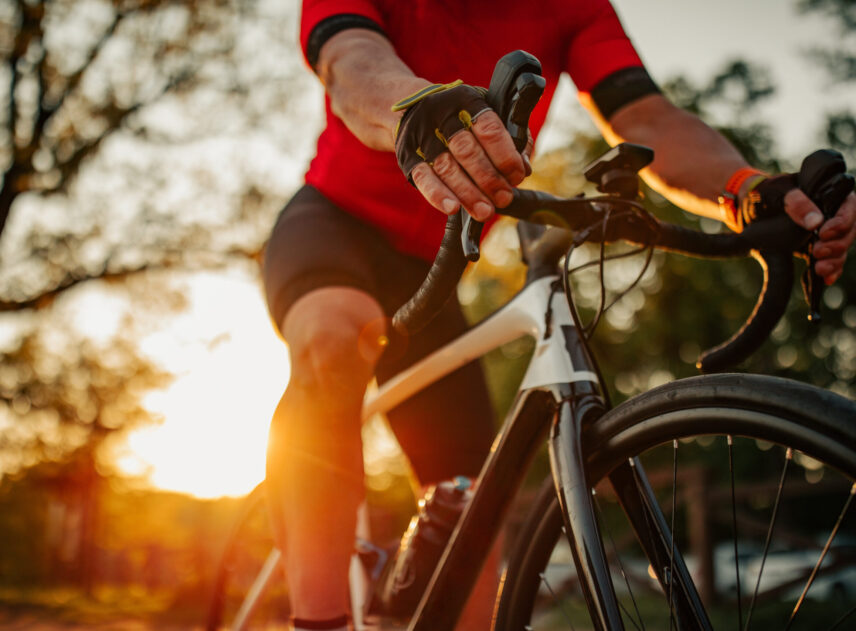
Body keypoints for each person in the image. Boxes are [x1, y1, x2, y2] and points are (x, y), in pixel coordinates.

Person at [262, 2, 856, 630]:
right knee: (332, 338)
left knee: (472, 497)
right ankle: (317, 618)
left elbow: (648, 118)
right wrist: (416, 103)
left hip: (434, 268)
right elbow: (352, 64)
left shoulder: (575, 6)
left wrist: (746, 187)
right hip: (331, 228)